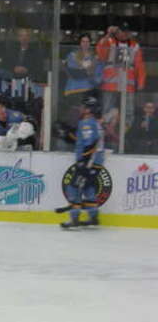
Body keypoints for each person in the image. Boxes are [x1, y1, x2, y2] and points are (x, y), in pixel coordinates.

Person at [60, 96, 105, 229]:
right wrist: (69, 135)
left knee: (73, 187)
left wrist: (83, 162)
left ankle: (74, 219)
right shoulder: (94, 122)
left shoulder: (86, 123)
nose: (80, 108)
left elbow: (90, 144)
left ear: (88, 109)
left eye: (83, 106)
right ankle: (93, 217)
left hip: (88, 162)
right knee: (87, 187)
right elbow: (84, 140)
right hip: (94, 161)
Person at [96, 22, 146, 126]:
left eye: (126, 31)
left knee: (129, 109)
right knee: (107, 108)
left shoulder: (135, 46)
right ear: (117, 32)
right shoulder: (109, 41)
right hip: (110, 83)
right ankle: (106, 130)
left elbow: (139, 65)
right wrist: (108, 34)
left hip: (128, 83)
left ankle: (126, 131)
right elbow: (100, 53)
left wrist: (141, 81)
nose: (124, 34)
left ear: (129, 33)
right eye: (121, 31)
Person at [63, 33, 102, 103]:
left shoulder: (94, 57)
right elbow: (73, 71)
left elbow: (96, 76)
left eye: (87, 42)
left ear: (90, 43)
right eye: (83, 41)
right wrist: (88, 69)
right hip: (73, 89)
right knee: (75, 111)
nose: (85, 44)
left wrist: (89, 70)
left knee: (88, 110)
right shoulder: (72, 55)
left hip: (88, 90)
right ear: (80, 43)